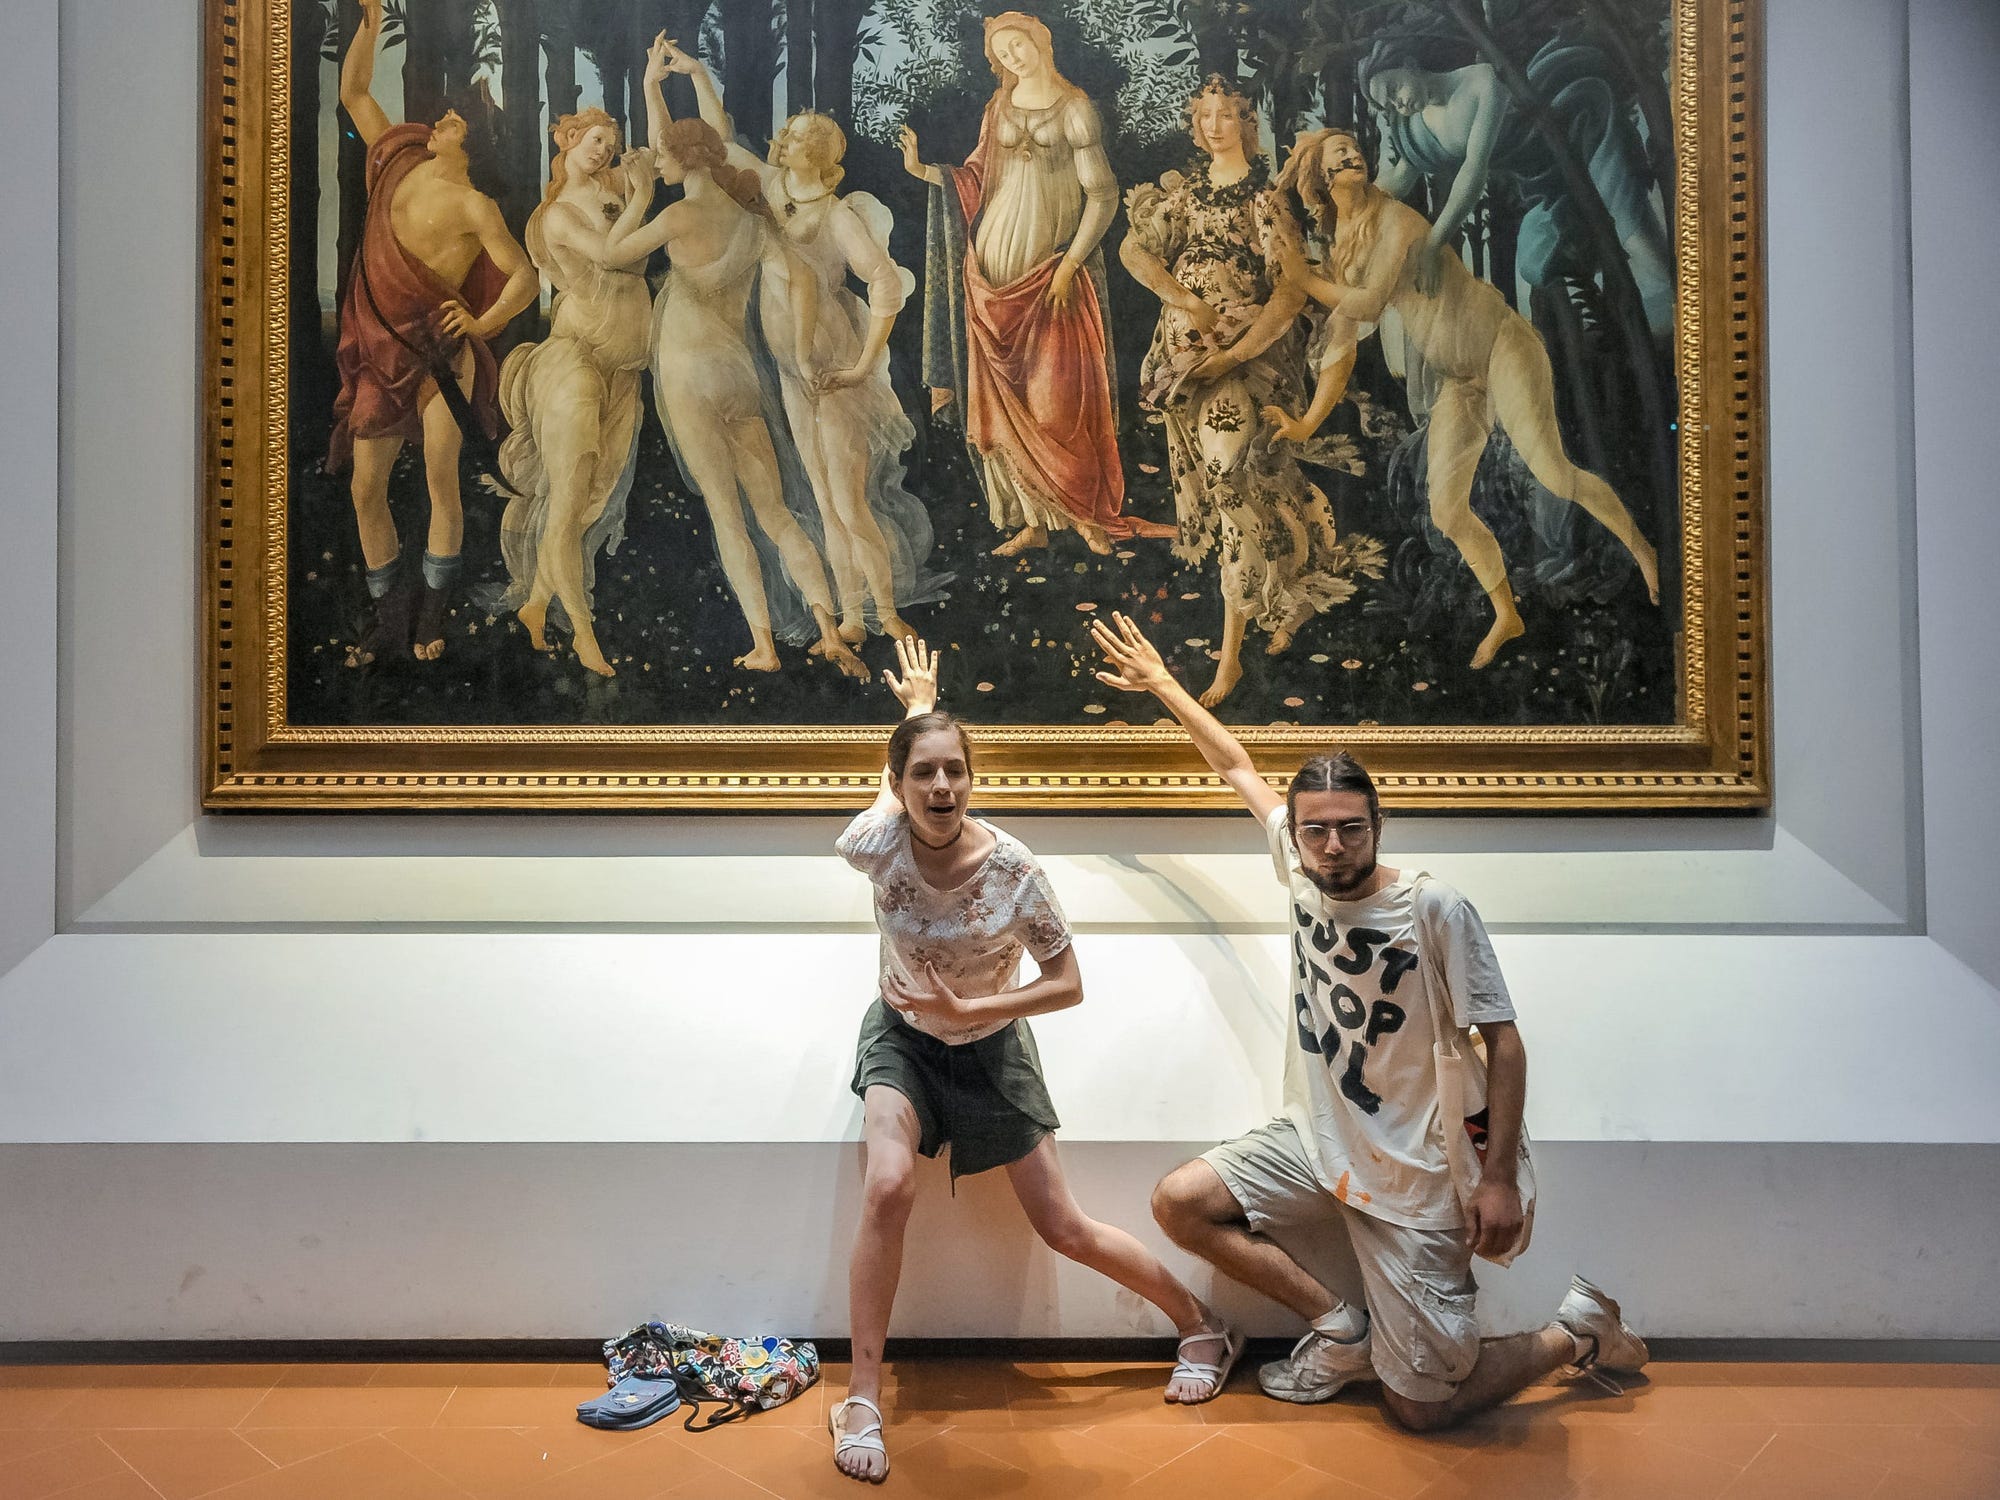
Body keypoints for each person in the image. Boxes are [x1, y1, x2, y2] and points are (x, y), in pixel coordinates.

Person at [1089, 609, 1649, 1433]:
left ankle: (1576, 1329)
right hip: (1319, 1141)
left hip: (1418, 1175)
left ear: (1378, 827)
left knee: (1421, 1409)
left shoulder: (1435, 909)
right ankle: (1341, 1329)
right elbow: (1236, 764)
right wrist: (1167, 684)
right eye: (1314, 830)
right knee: (1181, 1203)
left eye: (1350, 829)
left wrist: (1497, 1178)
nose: (1331, 846)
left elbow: (1504, 1042)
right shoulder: (1301, 872)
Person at [828, 636, 1237, 1483]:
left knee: (1063, 1226)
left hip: (992, 1045)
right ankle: (861, 1395)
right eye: (923, 773)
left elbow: (1068, 983)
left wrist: (973, 1009)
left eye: (955, 771)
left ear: (973, 779)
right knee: (888, 1185)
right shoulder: (874, 842)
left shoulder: (1013, 869)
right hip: (902, 1039)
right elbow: (885, 785)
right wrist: (917, 711)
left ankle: (1203, 1325)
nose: (941, 787)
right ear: (900, 784)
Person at [1257, 127, 1659, 670]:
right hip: (1459, 377)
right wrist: (1307, 422)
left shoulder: (1396, 219)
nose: (1353, 153)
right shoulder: (1343, 243)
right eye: (1339, 151)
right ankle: (1507, 615)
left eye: (1354, 147)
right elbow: (1342, 345)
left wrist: (1302, 279)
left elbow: (1369, 303)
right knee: (1446, 509)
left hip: (1501, 347)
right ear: (1319, 176)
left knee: (1553, 471)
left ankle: (1644, 551)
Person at [662, 37, 946, 649]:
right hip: (789, 363)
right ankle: (851, 616)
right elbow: (719, 137)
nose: (785, 141)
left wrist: (862, 367)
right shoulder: (769, 187)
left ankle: (887, 611)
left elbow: (885, 284)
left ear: (817, 152)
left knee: (848, 499)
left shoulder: (837, 215)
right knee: (819, 496)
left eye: (796, 137)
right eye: (789, 135)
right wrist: (695, 73)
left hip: (831, 363)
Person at [603, 54, 867, 681]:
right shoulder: (749, 220)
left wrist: (640, 195)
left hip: (689, 376)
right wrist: (800, 350)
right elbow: (804, 279)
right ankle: (830, 629)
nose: (658, 165)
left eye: (664, 160)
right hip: (740, 377)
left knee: (729, 515)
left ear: (684, 161)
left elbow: (613, 256)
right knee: (775, 512)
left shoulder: (676, 214)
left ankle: (765, 647)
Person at [1121, 78, 1382, 707]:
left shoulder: (1265, 200)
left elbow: (1289, 293)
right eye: (1205, 115)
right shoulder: (1183, 197)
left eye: (1227, 115)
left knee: (1232, 481)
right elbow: (1134, 251)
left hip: (1246, 361)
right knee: (1243, 490)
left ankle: (1231, 657)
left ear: (1246, 123)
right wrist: (1184, 300)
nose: (1215, 125)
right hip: (1183, 364)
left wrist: (1232, 355)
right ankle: (1288, 589)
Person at [903, 13, 1172, 557]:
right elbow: (976, 179)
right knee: (1002, 405)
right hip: (989, 276)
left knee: (1058, 405)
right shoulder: (998, 106)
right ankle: (1034, 522)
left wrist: (1070, 265)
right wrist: (924, 170)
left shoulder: (1075, 109)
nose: (1012, 58)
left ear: (1040, 42)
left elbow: (1102, 196)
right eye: (1002, 53)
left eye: (1018, 45)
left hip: (1050, 275)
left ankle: (1086, 516)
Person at [329, 0, 538, 666]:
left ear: (471, 143)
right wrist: (368, 24)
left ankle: (429, 616)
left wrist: (482, 323)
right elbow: (354, 93)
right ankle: (389, 618)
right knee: (366, 488)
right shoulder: (397, 158)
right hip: (380, 354)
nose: (443, 117)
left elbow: (525, 277)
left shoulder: (476, 206)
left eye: (456, 120)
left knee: (439, 482)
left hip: (441, 356)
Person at [489, 109, 652, 679]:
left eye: (611, 142)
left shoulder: (613, 188)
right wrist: (643, 195)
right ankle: (584, 634)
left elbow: (655, 154)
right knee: (566, 502)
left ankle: (536, 605)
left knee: (586, 504)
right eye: (594, 139)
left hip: (622, 368)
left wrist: (652, 84)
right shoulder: (557, 213)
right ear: (567, 141)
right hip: (575, 362)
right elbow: (613, 255)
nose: (604, 150)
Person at [1360, 47, 1675, 336]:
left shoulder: (1482, 82)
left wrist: (1433, 244)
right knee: (1538, 260)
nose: (1399, 104)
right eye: (1390, 104)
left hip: (1576, 138)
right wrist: (1355, 206)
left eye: (1394, 88)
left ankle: (1684, 321)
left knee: (1639, 240)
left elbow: (1474, 172)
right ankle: (1632, 327)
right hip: (1540, 183)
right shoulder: (1415, 126)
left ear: (1410, 64)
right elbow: (1401, 176)